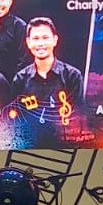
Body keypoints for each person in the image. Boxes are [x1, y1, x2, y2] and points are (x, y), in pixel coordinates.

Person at [11, 17, 83, 145]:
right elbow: (15, 120)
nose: (40, 43)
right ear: (28, 42)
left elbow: (79, 117)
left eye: (45, 38)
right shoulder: (20, 79)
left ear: (55, 40)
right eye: (36, 38)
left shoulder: (72, 76)